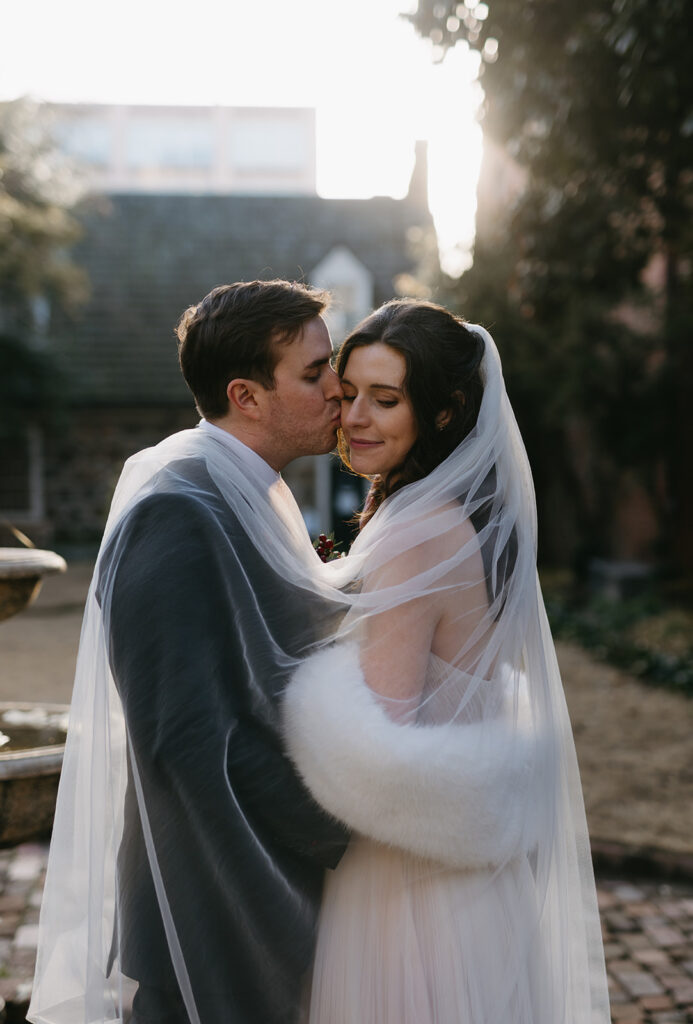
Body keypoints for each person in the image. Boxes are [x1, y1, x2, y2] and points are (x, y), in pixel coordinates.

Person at [28, 280, 351, 1024]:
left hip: (269, 884)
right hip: (214, 904)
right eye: (313, 373)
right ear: (246, 395)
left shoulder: (253, 491)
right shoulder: (173, 512)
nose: (338, 390)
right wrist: (341, 823)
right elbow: (183, 737)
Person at [281, 300, 611, 1023]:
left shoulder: (415, 530)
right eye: (350, 390)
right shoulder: (460, 509)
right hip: (463, 871)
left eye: (385, 399)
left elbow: (381, 740)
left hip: (405, 881)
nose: (353, 415)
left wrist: (296, 696)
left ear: (441, 412)